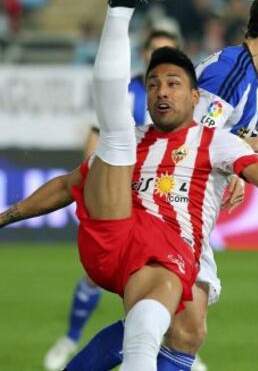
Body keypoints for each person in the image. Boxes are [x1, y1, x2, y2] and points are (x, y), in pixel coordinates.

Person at [0, 0, 258, 370]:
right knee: (180, 322)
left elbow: (217, 143)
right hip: (172, 203)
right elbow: (190, 138)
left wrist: (243, 162)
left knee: (184, 328)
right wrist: (255, 151)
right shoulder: (230, 73)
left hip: (187, 203)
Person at [43, 28, 183, 371]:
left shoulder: (186, 97)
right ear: (145, 54)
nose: (159, 57)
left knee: (173, 278)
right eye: (154, 51)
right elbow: (96, 138)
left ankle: (175, 346)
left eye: (167, 51)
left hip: (164, 201)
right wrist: (96, 186)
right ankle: (70, 339)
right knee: (98, 276)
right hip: (122, 198)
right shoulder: (126, 92)